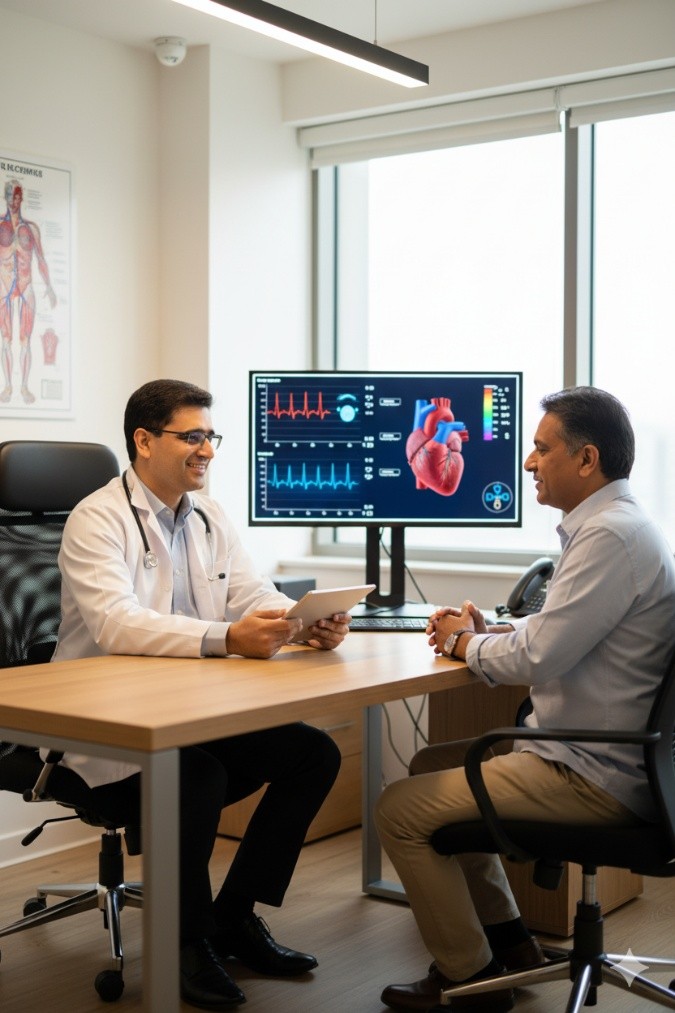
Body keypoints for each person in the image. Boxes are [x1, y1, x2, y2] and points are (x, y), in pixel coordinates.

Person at [51, 378, 352, 1010]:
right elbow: (116, 623)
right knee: (196, 778)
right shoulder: (96, 518)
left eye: (210, 436)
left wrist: (299, 620)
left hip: (188, 714)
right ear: (143, 440)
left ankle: (234, 917)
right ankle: (185, 943)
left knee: (312, 754)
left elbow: (249, 594)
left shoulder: (209, 514)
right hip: (101, 727)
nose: (208, 450)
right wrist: (227, 638)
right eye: (192, 436)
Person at [375, 386, 675, 1013]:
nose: (528, 463)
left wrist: (463, 645)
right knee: (431, 765)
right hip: (607, 756)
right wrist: (494, 634)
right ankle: (511, 948)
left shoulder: (609, 537)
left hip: (590, 772)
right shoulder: (616, 526)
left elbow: (540, 659)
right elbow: (563, 634)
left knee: (399, 810)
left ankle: (468, 980)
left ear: (586, 459)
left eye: (542, 449)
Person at [0, 178, 57, 404]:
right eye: (10, 195)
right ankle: (7, 386)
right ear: (5, 197)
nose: (13, 200)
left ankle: (23, 387)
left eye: (17, 195)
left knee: (25, 339)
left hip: (26, 286)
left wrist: (50, 288)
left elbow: (41, 259)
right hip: (3, 286)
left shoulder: (30, 229)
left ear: (21, 198)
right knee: (6, 339)